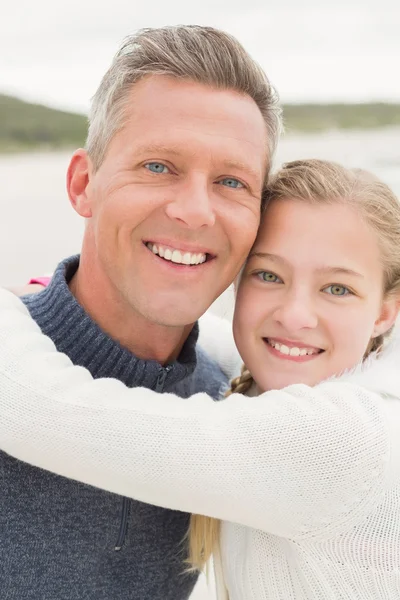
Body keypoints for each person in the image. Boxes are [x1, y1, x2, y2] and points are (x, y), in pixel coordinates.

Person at [1, 159, 400, 599]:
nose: (294, 315)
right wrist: (51, 293)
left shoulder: (341, 440)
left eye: (337, 289)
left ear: (385, 311)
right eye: (268, 275)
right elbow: (218, 338)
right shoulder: (327, 385)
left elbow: (36, 411)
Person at [0, 25, 281, 600]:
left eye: (231, 182)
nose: (194, 211)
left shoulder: (234, 417)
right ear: (84, 184)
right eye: (158, 166)